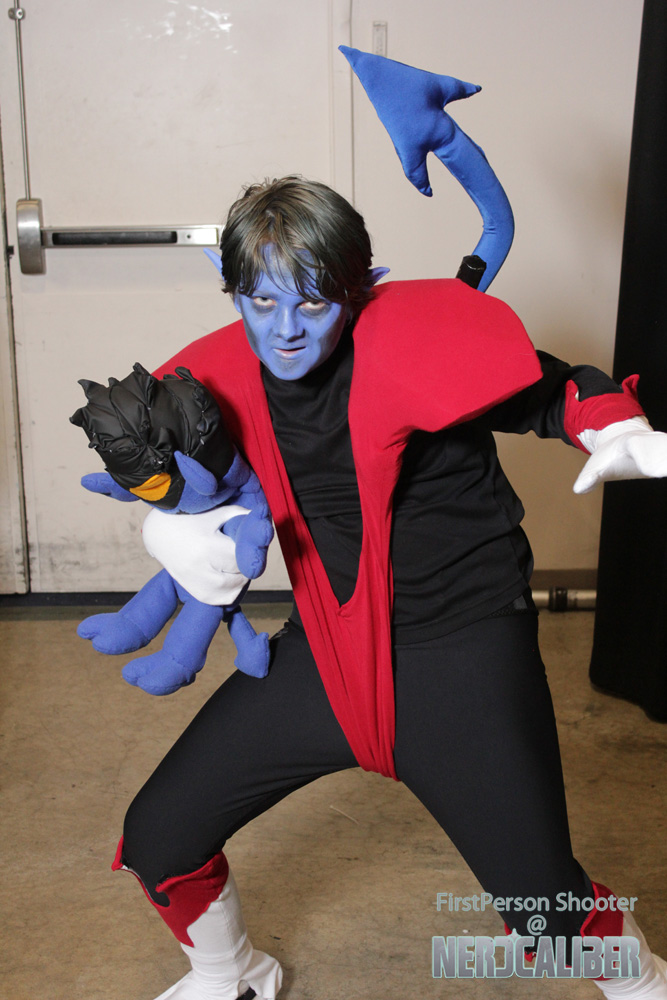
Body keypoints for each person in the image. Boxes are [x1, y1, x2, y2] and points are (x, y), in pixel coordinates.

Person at [112, 176, 667, 1000]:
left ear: (355, 287)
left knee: (545, 916)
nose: (285, 329)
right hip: (325, 653)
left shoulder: (418, 340)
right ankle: (232, 976)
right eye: (261, 301)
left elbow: (556, 391)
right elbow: (188, 487)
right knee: (159, 838)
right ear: (232, 291)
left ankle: (643, 984)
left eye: (311, 302)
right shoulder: (215, 383)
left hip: (459, 648)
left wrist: (614, 425)